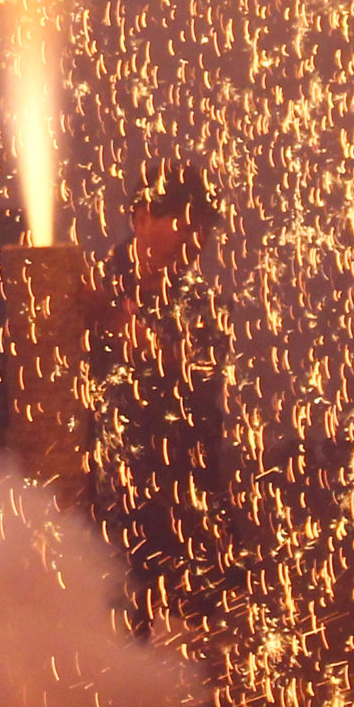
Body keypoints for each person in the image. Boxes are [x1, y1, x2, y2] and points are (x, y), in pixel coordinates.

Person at [86, 163, 227, 629]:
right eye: (183, 226)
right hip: (97, 504)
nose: (194, 241)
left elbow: (194, 374)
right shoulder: (92, 284)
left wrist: (131, 333)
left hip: (176, 503)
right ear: (141, 217)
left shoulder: (199, 303)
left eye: (202, 230)